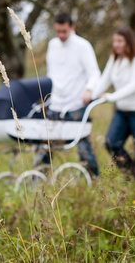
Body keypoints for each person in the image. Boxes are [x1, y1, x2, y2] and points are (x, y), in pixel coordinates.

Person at [36, 12, 101, 176]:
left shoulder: (83, 46)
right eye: (58, 31)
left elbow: (94, 73)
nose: (61, 35)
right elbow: (52, 73)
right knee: (46, 142)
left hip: (76, 103)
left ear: (72, 27)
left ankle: (93, 177)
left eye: (64, 31)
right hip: (56, 102)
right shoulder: (52, 45)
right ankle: (38, 177)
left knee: (82, 142)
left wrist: (89, 89)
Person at [92, 27, 135, 179]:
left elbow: (133, 86)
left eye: (120, 41)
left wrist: (111, 97)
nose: (116, 44)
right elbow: (104, 80)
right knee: (111, 143)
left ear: (129, 42)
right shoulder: (114, 59)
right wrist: (91, 96)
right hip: (123, 111)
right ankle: (131, 173)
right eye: (115, 41)